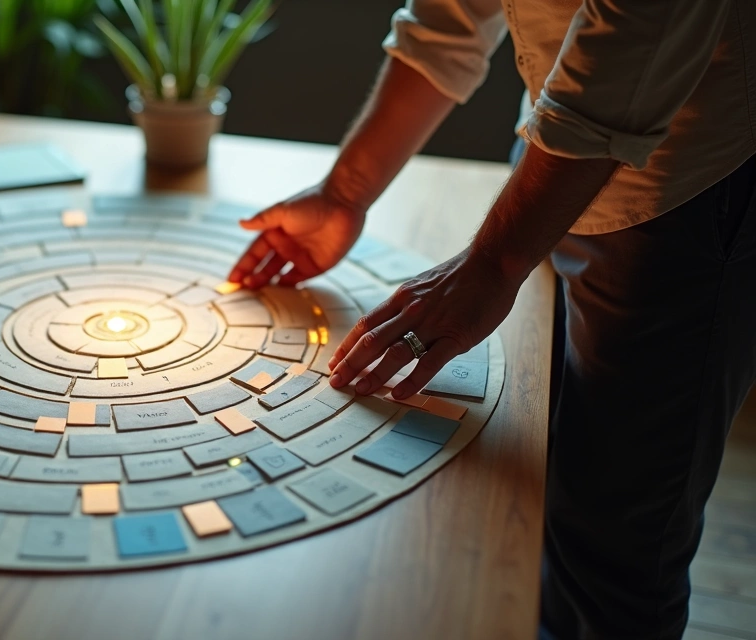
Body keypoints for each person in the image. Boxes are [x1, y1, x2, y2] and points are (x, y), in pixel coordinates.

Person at [227, 1, 756, 638]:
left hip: (682, 191)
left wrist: (491, 264)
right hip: (555, 142)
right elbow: (447, 18)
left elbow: (631, 48)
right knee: (542, 479)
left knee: (613, 556)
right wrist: (346, 192)